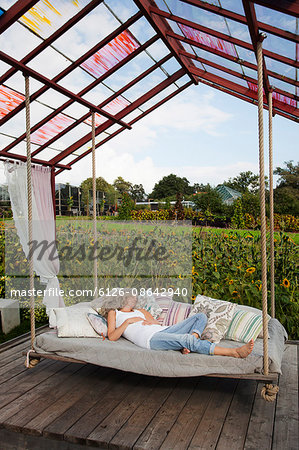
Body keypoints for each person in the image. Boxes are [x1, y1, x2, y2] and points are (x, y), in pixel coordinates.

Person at [106, 294, 254, 358]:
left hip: (162, 330)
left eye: (135, 296)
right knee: (185, 339)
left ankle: (192, 339)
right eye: (131, 295)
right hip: (148, 338)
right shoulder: (115, 313)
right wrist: (128, 322)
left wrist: (151, 321)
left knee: (201, 316)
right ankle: (234, 352)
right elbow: (112, 337)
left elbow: (158, 323)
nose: (134, 297)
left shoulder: (141, 311)